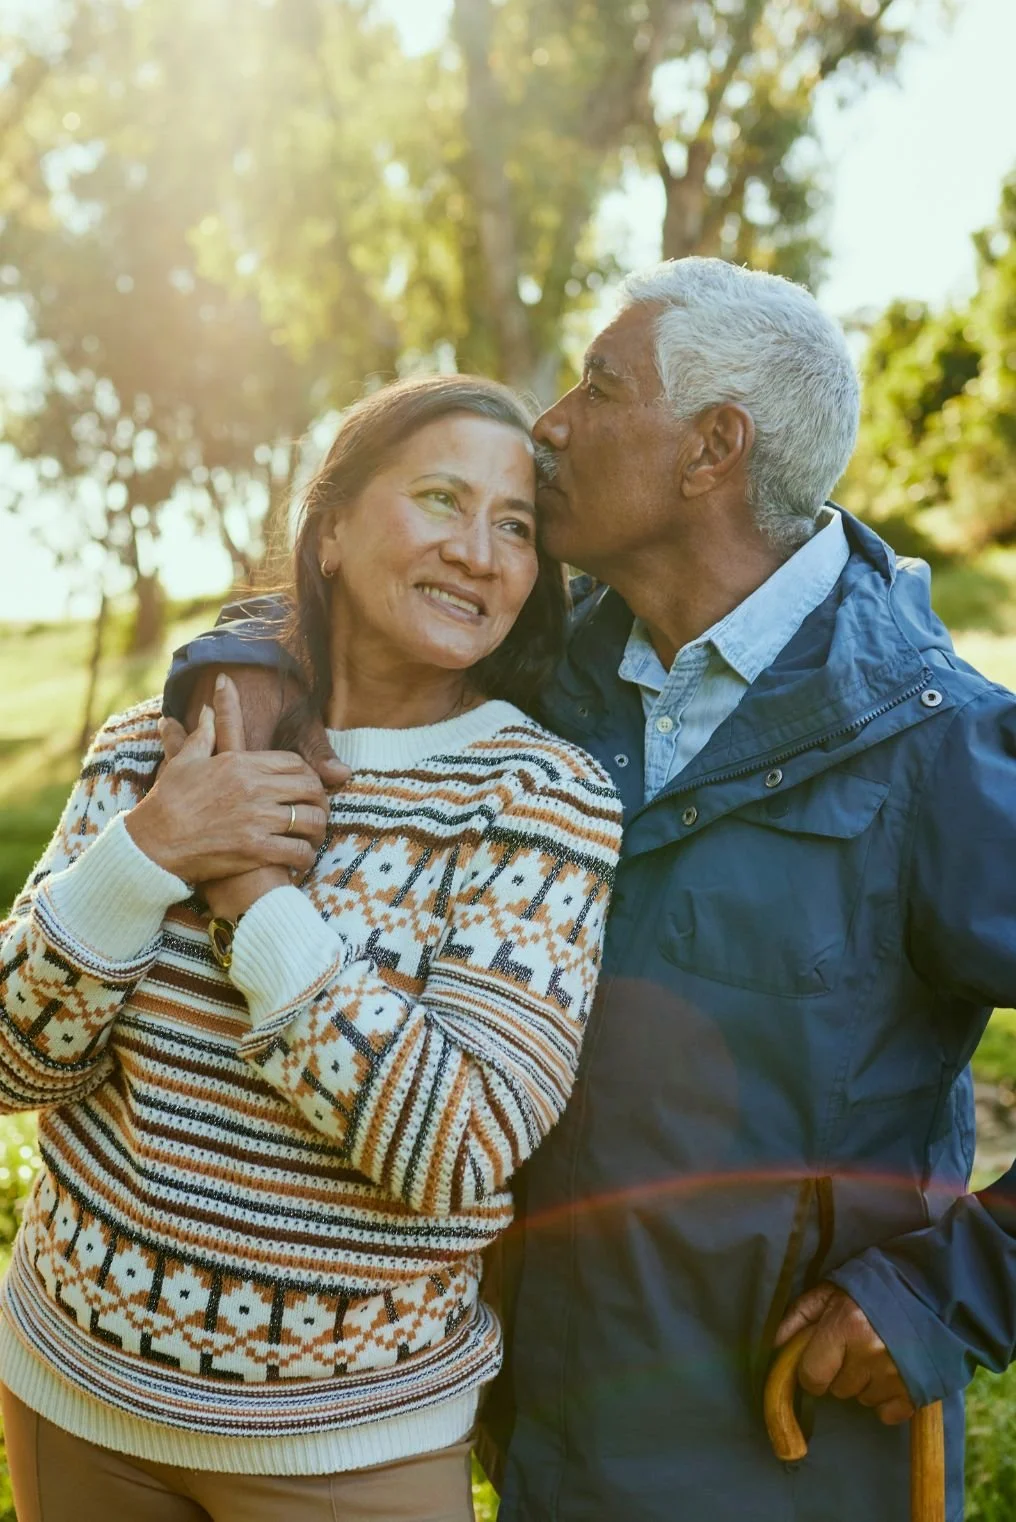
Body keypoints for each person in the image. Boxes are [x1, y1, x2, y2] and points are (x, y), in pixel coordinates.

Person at [164, 258, 1016, 1522]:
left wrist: (946, 1295)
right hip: (537, 1418)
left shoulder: (932, 746)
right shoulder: (549, 659)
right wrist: (235, 678)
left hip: (784, 1447)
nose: (547, 424)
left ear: (708, 451)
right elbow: (334, 604)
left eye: (597, 387)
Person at [0, 375, 623, 1522]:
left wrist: (250, 894)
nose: (479, 552)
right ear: (329, 528)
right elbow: (12, 1064)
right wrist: (146, 851)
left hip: (349, 1451)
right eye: (440, 497)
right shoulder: (161, 743)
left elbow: (455, 1145)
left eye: (516, 524)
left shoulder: (539, 797)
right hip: (70, 1392)